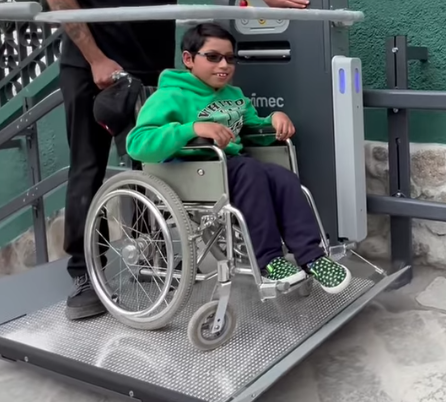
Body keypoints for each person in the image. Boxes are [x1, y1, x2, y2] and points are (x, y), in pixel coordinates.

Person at [14, 0, 310, 321]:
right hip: (92, 65)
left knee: (154, 162)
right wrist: (98, 58)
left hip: (152, 68)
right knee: (90, 167)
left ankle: (157, 259)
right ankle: (85, 274)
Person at [125, 23, 352, 294]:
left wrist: (274, 122)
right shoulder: (170, 96)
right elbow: (137, 143)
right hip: (192, 171)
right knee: (250, 170)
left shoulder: (235, 96)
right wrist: (191, 129)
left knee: (283, 177)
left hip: (234, 168)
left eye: (230, 58)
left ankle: (311, 256)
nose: (224, 65)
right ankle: (269, 261)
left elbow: (254, 131)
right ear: (188, 59)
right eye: (213, 57)